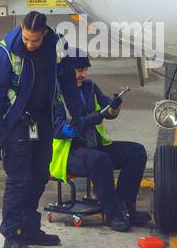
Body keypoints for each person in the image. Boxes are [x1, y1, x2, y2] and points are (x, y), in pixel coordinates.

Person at [0, 11, 79, 248]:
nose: (29, 44)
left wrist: (78, 114)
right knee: (18, 180)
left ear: (44, 34)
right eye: (26, 39)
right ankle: (11, 236)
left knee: (38, 177)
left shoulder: (55, 46)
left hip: (43, 121)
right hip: (17, 124)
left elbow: (67, 80)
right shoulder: (7, 52)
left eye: (34, 41)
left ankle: (29, 228)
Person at [50, 54, 149, 232]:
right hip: (68, 153)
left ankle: (125, 207)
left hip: (93, 145)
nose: (83, 75)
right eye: (79, 71)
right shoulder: (55, 95)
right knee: (99, 160)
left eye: (85, 70)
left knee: (136, 152)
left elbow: (107, 112)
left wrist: (114, 106)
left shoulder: (89, 87)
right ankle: (113, 214)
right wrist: (88, 120)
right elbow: (58, 130)